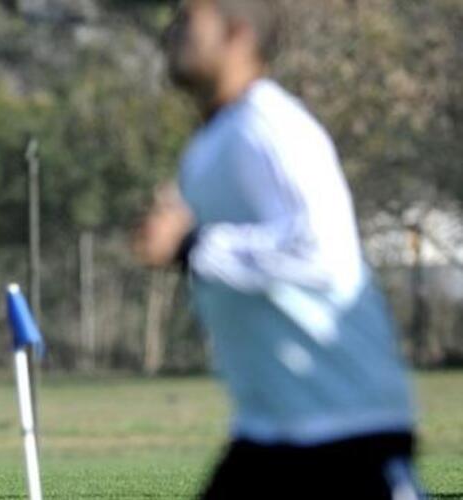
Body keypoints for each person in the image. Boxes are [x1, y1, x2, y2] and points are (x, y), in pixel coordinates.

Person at [134, 1, 423, 498]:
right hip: (271, 429)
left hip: (344, 430)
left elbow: (321, 250)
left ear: (238, 34)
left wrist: (190, 243)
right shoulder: (210, 142)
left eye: (189, 21)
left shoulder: (267, 125)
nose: (173, 32)